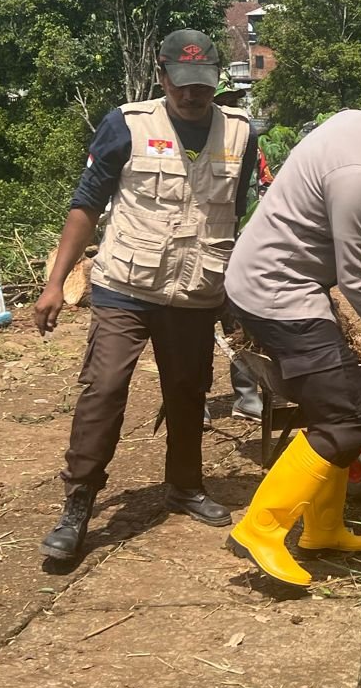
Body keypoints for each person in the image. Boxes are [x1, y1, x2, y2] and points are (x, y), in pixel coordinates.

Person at [33, 30, 259, 560]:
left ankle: (184, 485)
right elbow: (86, 204)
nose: (192, 96)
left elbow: (242, 213)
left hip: (198, 290)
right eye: (182, 85)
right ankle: (79, 501)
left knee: (187, 389)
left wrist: (242, 286)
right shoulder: (127, 125)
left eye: (202, 86)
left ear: (215, 82)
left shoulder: (241, 134)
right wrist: (54, 283)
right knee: (105, 386)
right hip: (125, 285)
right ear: (162, 77)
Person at [223, 67, 361, 587]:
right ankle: (261, 528)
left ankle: (323, 527)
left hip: (284, 283)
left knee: (337, 409)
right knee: (351, 415)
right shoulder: (360, 172)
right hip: (276, 292)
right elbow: (356, 281)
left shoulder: (354, 124)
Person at [206, 76, 270, 426]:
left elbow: (267, 189)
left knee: (241, 325)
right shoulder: (194, 146)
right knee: (197, 327)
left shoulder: (250, 146)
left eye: (234, 99)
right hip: (201, 247)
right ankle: (192, 401)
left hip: (242, 247)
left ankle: (246, 397)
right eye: (224, 100)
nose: (230, 106)